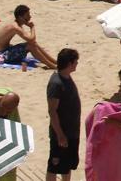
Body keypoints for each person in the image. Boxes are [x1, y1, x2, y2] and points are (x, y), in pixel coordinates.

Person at [46, 48, 81, 181]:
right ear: (70, 63)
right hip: (61, 134)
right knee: (54, 167)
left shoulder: (66, 77)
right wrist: (60, 135)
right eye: (76, 61)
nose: (77, 63)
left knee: (67, 166)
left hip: (71, 132)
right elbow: (52, 111)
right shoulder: (56, 83)